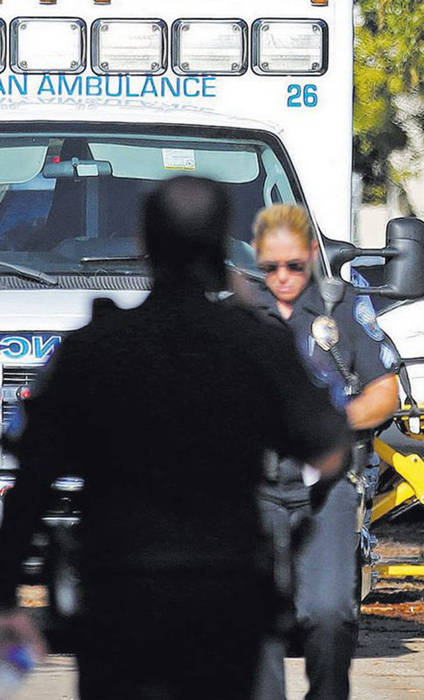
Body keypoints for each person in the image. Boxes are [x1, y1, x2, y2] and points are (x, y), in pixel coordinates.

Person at [0, 176, 349, 699]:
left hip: (118, 594)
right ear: (223, 246)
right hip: (223, 595)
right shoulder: (253, 345)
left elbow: (30, 486)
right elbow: (329, 449)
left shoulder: (95, 349)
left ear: (144, 245)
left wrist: (8, 600)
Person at [245, 204, 399, 700]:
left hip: (325, 481)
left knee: (330, 612)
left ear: (313, 255)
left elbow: (386, 391)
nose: (283, 277)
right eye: (270, 267)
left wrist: (333, 423)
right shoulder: (238, 315)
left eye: (293, 265)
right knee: (257, 615)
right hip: (254, 486)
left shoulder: (341, 307)